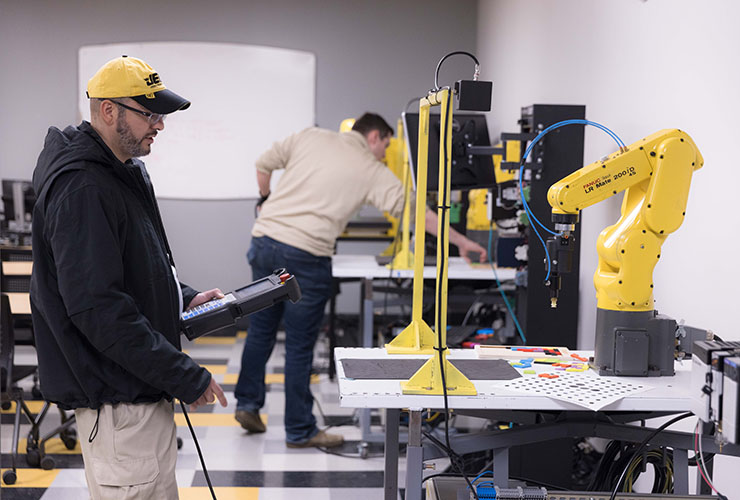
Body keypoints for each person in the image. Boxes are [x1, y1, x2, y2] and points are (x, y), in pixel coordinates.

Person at [30, 55, 227, 500]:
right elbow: (99, 309)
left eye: (160, 114)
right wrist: (184, 375)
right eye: (149, 114)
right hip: (118, 400)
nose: (159, 125)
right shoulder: (83, 187)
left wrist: (183, 298)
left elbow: (138, 267)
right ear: (108, 110)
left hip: (137, 389)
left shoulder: (123, 172)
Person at [234, 113, 487, 448]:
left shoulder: (309, 137)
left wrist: (265, 200)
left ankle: (247, 404)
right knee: (298, 346)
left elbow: (263, 164)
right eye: (386, 144)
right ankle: (299, 430)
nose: (385, 153)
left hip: (264, 243)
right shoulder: (371, 170)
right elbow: (414, 211)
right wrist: (462, 242)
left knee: (262, 329)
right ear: (374, 137)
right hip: (306, 256)